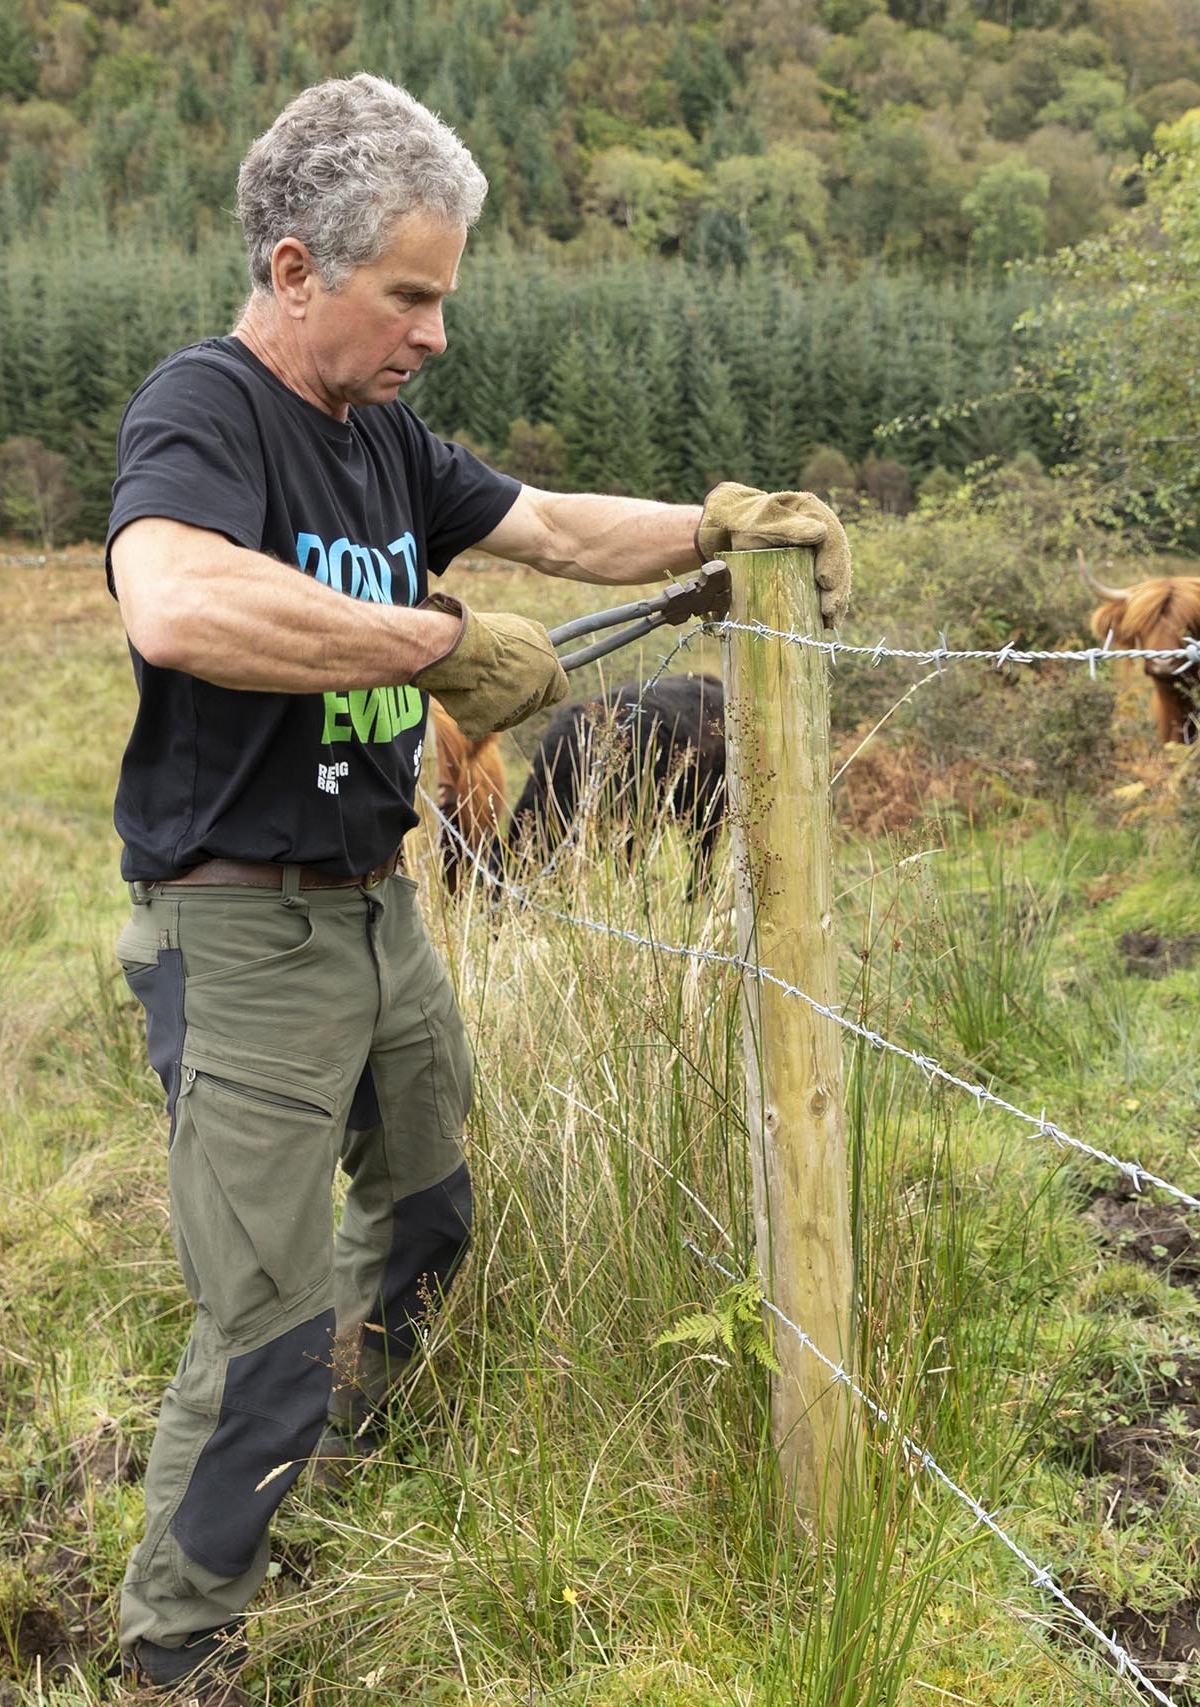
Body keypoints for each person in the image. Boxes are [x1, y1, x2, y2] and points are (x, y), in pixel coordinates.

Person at [100, 73, 851, 1704]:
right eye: (409, 295)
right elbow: (175, 602)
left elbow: (558, 527)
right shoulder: (207, 413)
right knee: (268, 1318)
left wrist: (722, 528)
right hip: (239, 929)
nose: (435, 331)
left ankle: (345, 1467)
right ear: (297, 272)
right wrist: (433, 644)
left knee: (427, 1216)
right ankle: (177, 1647)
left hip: (380, 908)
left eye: (445, 295)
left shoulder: (381, 442)